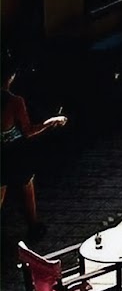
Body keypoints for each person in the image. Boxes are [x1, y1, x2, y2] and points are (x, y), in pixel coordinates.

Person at [1, 72, 67, 235]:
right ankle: (33, 225)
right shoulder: (15, 101)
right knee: (27, 184)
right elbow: (28, 131)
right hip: (13, 152)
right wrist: (51, 122)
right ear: (10, 77)